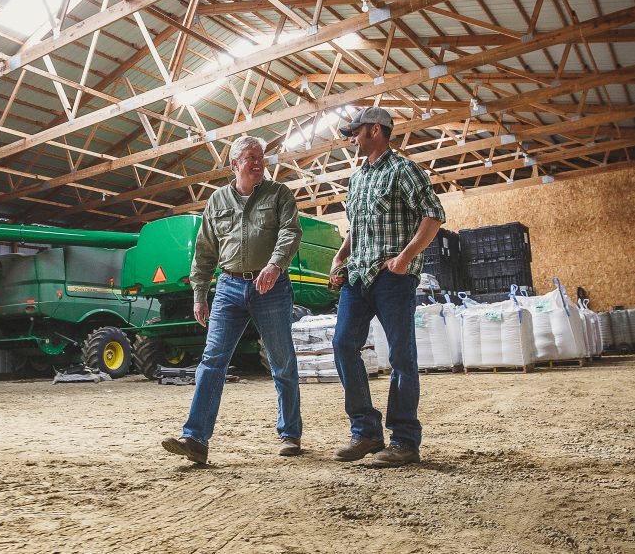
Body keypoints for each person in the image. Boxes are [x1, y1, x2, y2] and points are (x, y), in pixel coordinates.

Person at [161, 135, 304, 464]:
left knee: (281, 362)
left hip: (271, 286)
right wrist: (199, 293)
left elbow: (290, 232)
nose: (258, 162)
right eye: (251, 157)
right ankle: (195, 438)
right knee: (212, 362)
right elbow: (205, 250)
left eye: (261, 157)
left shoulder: (279, 194)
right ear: (234, 164)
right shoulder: (217, 201)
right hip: (229, 286)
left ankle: (290, 433)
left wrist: (275, 264)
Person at [328, 106, 445, 467]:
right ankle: (366, 431)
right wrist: (339, 257)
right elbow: (357, 229)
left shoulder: (403, 170)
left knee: (400, 357)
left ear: (376, 131)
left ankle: (405, 440)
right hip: (358, 276)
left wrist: (406, 258)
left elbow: (434, 215)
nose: (351, 138)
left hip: (392, 278)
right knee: (344, 344)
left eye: (356, 131)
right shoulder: (357, 178)